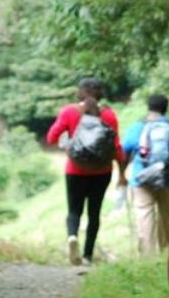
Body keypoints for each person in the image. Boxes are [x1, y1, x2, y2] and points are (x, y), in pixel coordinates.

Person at [46, 77, 127, 266]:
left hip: (75, 170)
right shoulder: (108, 115)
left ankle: (72, 236)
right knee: (94, 213)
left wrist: (67, 146)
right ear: (100, 93)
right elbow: (116, 147)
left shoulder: (69, 112)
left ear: (80, 92)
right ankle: (88, 256)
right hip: (102, 171)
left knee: (74, 210)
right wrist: (122, 173)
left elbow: (51, 138)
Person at [121, 94, 169, 255]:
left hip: (142, 178)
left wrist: (122, 175)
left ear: (148, 107)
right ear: (165, 108)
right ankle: (168, 255)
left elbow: (124, 153)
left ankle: (148, 258)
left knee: (144, 216)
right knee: (165, 217)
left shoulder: (137, 127)